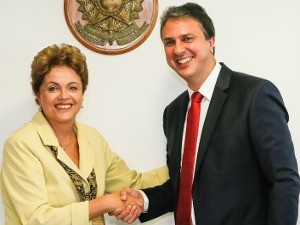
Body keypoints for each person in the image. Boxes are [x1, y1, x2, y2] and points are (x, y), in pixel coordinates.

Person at [115, 2, 300, 225]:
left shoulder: (254, 95)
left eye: (187, 38)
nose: (178, 49)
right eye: (169, 42)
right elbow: (184, 186)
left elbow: (284, 180)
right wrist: (143, 200)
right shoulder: (173, 113)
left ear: (211, 42)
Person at [0, 43, 169, 225]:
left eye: (72, 87)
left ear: (82, 93)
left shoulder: (92, 138)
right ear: (38, 95)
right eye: (53, 88)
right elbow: (38, 220)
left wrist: (188, 167)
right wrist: (104, 203)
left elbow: (133, 183)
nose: (64, 96)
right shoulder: (20, 145)